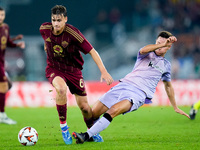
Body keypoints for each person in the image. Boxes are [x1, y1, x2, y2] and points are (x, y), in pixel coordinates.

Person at [72, 31, 190, 144]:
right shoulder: (146, 53)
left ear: (169, 47)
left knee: (113, 111)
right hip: (123, 85)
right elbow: (144, 49)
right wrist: (163, 44)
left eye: (163, 44)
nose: (159, 46)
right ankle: (94, 134)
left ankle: (85, 136)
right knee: (93, 114)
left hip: (138, 94)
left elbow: (168, 86)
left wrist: (175, 107)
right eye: (158, 42)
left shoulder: (166, 65)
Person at [39, 5, 113, 145]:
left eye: (59, 20)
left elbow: (92, 51)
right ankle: (64, 128)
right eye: (53, 20)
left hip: (74, 71)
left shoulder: (73, 34)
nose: (56, 23)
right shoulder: (44, 29)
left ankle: (91, 131)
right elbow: (46, 41)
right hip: (55, 68)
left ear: (65, 19)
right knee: (61, 89)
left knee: (85, 108)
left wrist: (103, 71)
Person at [0, 7, 25, 125]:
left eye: (2, 15)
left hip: (1, 61)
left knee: (7, 86)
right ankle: (2, 115)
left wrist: (16, 43)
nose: (1, 17)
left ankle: (2, 115)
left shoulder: (5, 27)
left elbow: (7, 42)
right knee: (5, 85)